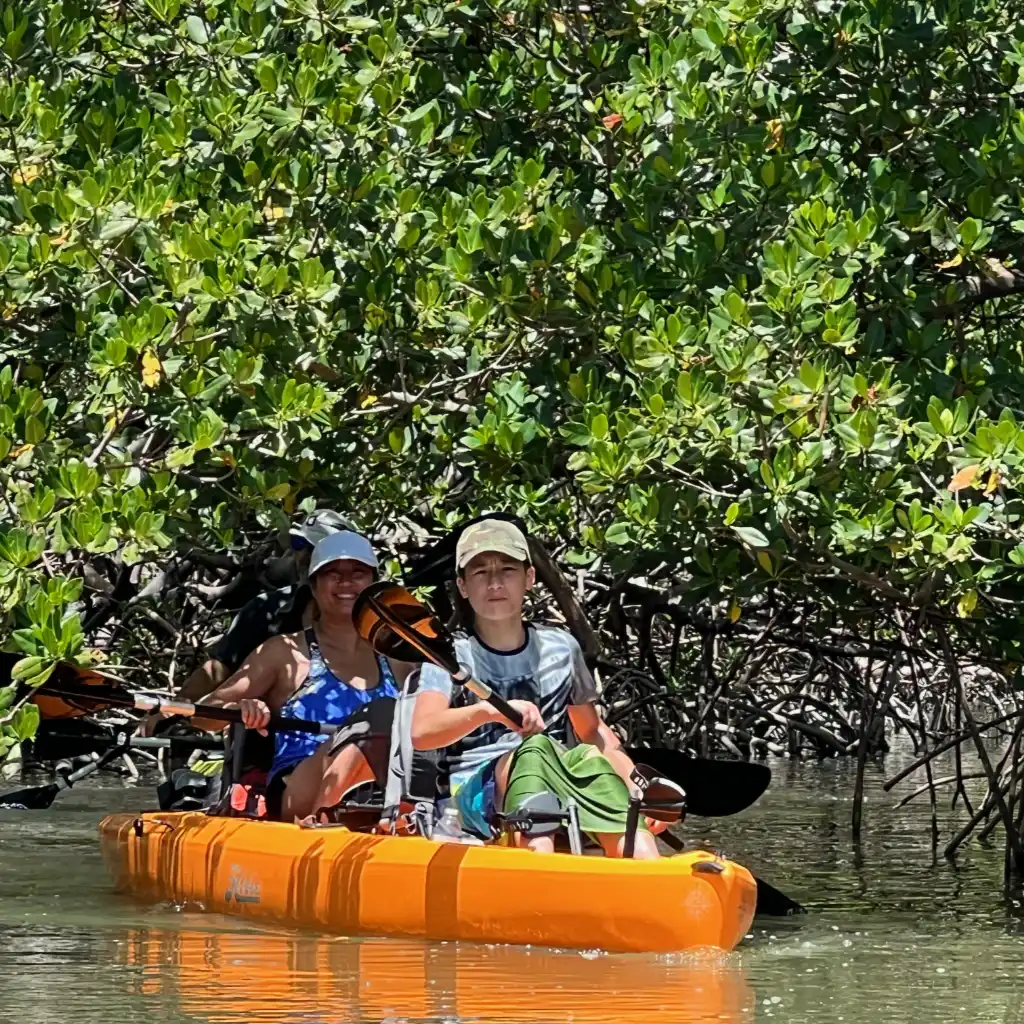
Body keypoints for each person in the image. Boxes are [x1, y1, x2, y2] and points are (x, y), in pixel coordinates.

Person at [410, 519, 664, 858]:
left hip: (558, 781)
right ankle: (538, 859)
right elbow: (423, 732)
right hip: (472, 797)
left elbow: (592, 732)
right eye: (481, 572)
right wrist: (488, 712)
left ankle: (646, 866)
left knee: (588, 760)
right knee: (534, 751)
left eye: (508, 570)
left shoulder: (562, 648)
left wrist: (639, 786)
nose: (495, 583)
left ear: (529, 577)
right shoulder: (448, 655)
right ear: (463, 585)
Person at [191, 529, 415, 820]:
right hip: (298, 787)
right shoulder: (284, 653)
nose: (346, 582)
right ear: (313, 585)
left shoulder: (395, 656)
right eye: (332, 573)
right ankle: (322, 825)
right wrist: (239, 707)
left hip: (382, 787)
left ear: (373, 583)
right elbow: (202, 714)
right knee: (376, 719)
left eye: (358, 573)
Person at [140, 509, 354, 737]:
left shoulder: (374, 620)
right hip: (266, 742)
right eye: (299, 547)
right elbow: (219, 669)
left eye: (314, 551)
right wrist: (173, 709)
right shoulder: (266, 610)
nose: (303, 557)